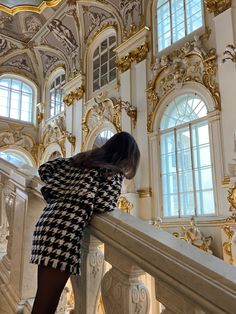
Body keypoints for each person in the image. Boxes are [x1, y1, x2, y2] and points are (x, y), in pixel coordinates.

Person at [30, 131, 140, 314]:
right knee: (47, 302)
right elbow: (105, 204)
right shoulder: (111, 171)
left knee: (44, 295)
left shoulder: (81, 160)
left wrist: (63, 189)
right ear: (127, 156)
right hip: (64, 231)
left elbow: (45, 169)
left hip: (47, 222)